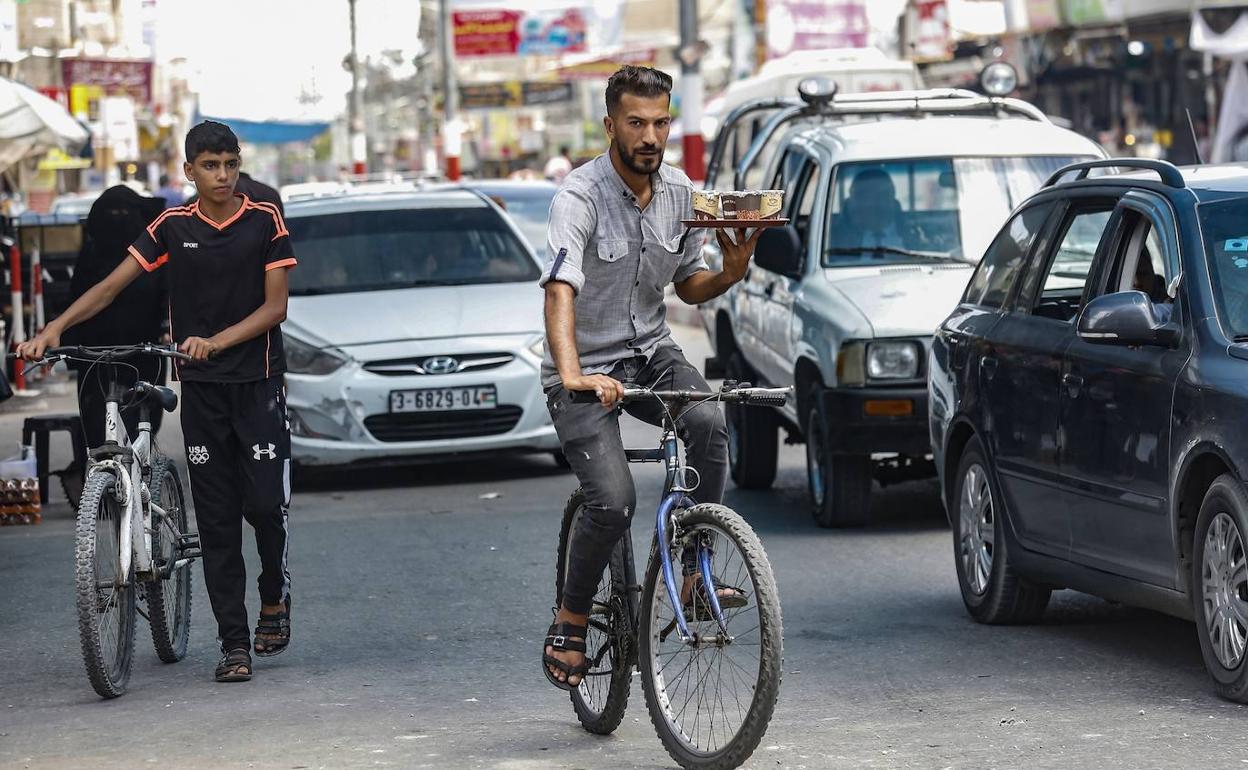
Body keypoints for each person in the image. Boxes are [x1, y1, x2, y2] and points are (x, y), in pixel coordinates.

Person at [19, 121, 298, 684]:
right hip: (203, 392)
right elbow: (110, 287)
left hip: (258, 384)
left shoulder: (264, 220)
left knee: (265, 506)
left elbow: (276, 309)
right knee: (216, 521)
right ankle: (234, 644)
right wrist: (55, 328)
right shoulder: (171, 226)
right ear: (189, 171)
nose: (222, 176)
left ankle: (274, 593)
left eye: (230, 164)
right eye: (210, 166)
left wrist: (215, 341)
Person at [539, 66, 762, 690]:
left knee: (709, 422)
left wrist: (731, 271)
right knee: (613, 501)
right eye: (636, 123)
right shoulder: (578, 197)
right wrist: (575, 375)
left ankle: (693, 574)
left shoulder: (680, 192)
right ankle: (571, 619)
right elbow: (559, 290)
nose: (650, 137)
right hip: (582, 365)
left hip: (650, 352)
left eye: (661, 123)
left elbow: (688, 285)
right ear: (610, 126)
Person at [64, 186, 169, 450]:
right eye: (111, 213)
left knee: (142, 423)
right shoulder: (91, 254)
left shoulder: (150, 254)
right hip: (96, 354)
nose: (117, 219)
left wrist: (167, 327)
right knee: (97, 426)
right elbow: (78, 299)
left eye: (124, 212)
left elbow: (166, 294)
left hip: (144, 350)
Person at [837, 167, 909, 251]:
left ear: (892, 199)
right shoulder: (834, 239)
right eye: (862, 196)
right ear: (851, 201)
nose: (871, 203)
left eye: (881, 195)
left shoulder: (914, 235)